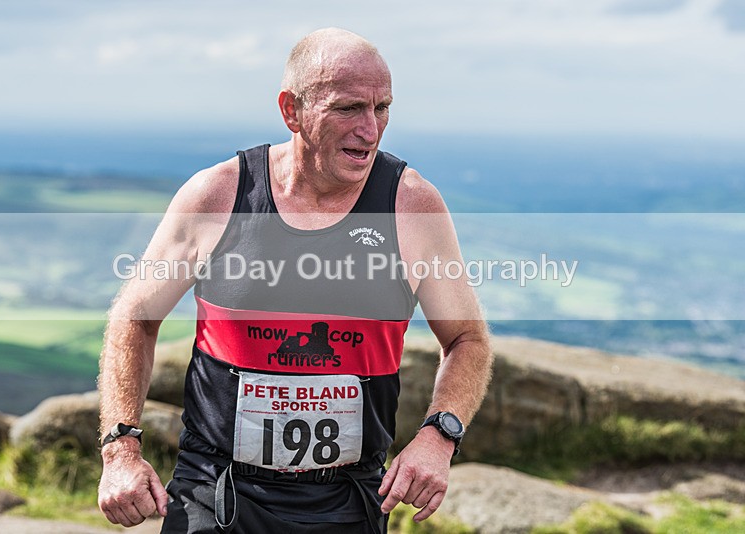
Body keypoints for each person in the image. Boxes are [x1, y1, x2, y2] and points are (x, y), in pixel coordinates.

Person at [97, 27, 492, 533]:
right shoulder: (219, 196)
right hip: (216, 492)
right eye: (348, 108)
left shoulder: (410, 206)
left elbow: (467, 340)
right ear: (292, 111)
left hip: (347, 499)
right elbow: (134, 315)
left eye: (382, 108)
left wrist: (438, 437)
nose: (370, 130)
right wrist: (120, 449)